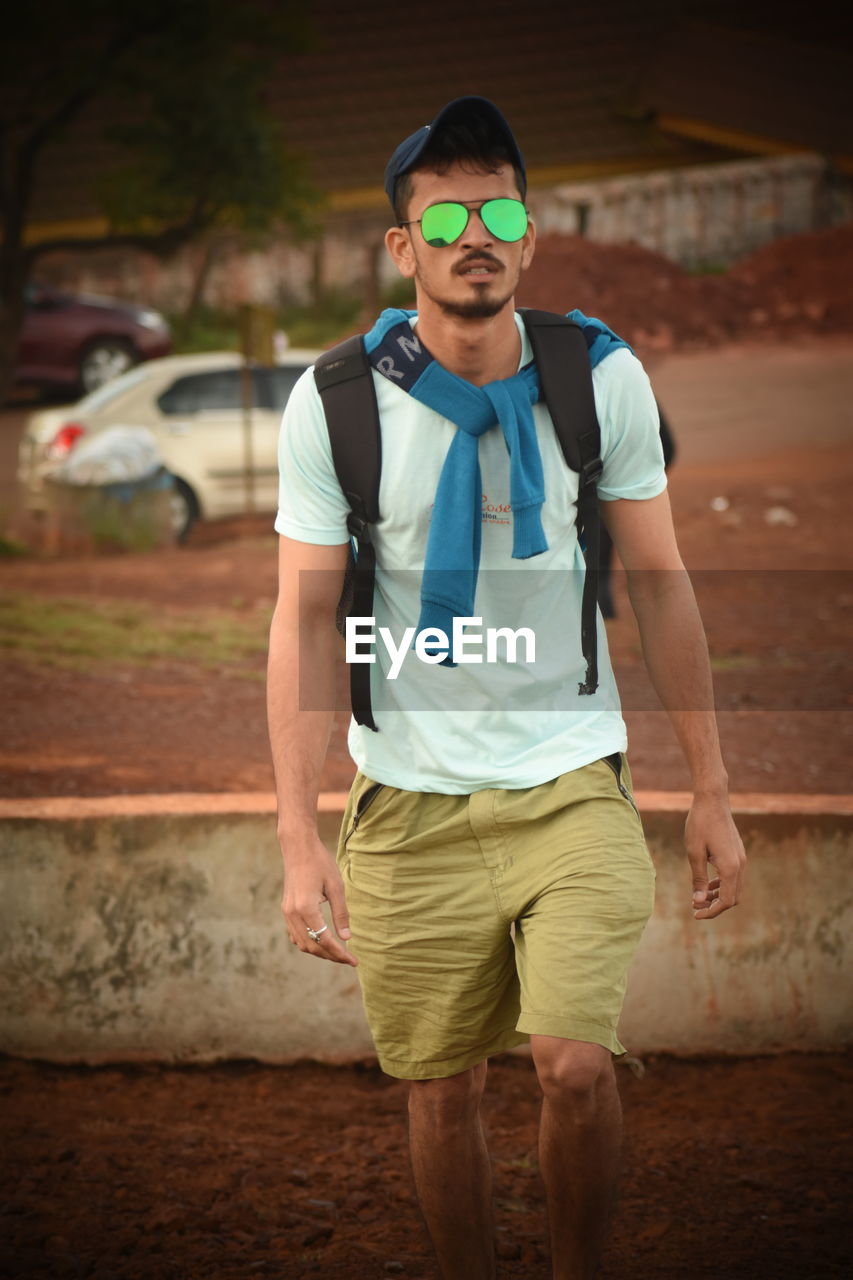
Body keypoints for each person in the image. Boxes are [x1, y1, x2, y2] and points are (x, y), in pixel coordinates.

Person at [267, 96, 746, 1280]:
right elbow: (303, 617)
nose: (473, 235)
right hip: (406, 800)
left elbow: (665, 583)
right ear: (404, 246)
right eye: (445, 216)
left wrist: (712, 787)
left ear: (528, 237)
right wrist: (295, 828)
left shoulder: (599, 376)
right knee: (439, 1092)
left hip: (569, 778)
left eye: (498, 210)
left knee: (573, 1061)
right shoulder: (333, 403)